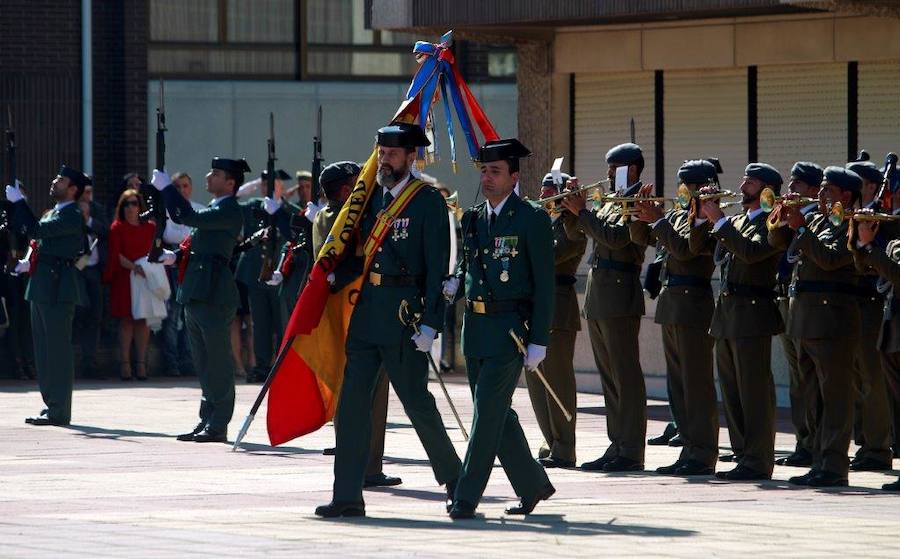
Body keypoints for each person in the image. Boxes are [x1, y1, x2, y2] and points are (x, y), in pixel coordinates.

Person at [315, 123, 461, 518]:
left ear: (411, 156)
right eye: (381, 152)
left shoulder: (427, 200)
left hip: (403, 316)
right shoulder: (370, 197)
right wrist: (331, 276)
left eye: (392, 154)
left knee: (417, 404)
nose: (384, 159)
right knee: (352, 407)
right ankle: (347, 494)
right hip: (366, 313)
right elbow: (360, 255)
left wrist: (432, 322)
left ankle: (456, 483)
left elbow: (437, 268)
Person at [444, 137, 555, 519]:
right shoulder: (473, 218)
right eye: (484, 172)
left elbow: (544, 285)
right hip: (475, 328)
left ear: (513, 176)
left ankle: (465, 494)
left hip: (510, 331)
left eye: (495, 172)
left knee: (486, 416)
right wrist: (455, 282)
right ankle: (532, 483)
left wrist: (539, 339)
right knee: (496, 413)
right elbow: (468, 265)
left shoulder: (531, 218)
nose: (487, 179)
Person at [769, 166, 862, 487]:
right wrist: (784, 219)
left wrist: (802, 229)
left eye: (828, 191)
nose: (821, 196)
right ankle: (819, 459)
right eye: (820, 190)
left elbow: (832, 259)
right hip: (806, 319)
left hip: (832, 320)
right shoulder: (819, 221)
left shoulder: (851, 223)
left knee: (834, 395)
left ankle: (835, 466)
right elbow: (782, 245)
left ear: (846, 196)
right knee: (813, 395)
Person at [560, 142, 649, 472]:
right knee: (610, 377)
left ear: (633, 170)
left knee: (625, 376)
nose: (609, 175)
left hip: (620, 293)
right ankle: (617, 443)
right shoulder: (611, 202)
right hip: (601, 295)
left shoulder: (639, 202)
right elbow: (579, 233)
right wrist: (571, 211)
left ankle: (631, 449)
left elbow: (614, 238)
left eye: (616, 169)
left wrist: (583, 212)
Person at [631, 159, 720, 476]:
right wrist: (640, 215)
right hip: (672, 305)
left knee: (696, 385)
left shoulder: (708, 220)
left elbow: (685, 251)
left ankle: (703, 451)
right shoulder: (679, 217)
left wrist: (659, 221)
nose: (683, 190)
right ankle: (688, 447)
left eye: (689, 184)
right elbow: (645, 239)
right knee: (679, 385)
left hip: (693, 305)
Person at [151, 157, 247, 443]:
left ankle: (218, 423)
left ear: (230, 183)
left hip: (214, 293)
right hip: (196, 290)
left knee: (217, 361)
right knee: (202, 361)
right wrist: (174, 256)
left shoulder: (229, 209)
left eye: (215, 173)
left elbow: (186, 217)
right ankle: (207, 418)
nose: (209, 176)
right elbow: (197, 245)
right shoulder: (215, 209)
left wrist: (168, 189)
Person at [701, 163, 784, 481]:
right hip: (728, 313)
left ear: (767, 190)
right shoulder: (733, 220)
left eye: (752, 181)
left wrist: (719, 220)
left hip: (753, 314)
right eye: (745, 178)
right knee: (732, 390)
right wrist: (709, 214)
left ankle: (759, 459)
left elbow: (751, 252)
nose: (743, 184)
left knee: (754, 392)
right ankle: (742, 454)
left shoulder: (771, 222)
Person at [7, 165, 89, 426]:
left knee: (57, 351)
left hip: (57, 286)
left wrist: (20, 203)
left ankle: (60, 410)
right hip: (42, 284)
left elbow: (38, 231)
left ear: (73, 189)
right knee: (43, 350)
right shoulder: (54, 212)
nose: (55, 182)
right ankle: (51, 404)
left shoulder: (73, 214)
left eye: (61, 180)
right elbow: (37, 240)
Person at [527, 171, 586, 469]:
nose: (543, 197)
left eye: (550, 192)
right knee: (536, 380)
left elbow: (546, 257)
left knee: (558, 379)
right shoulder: (542, 223)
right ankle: (551, 440)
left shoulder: (571, 227)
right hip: (535, 307)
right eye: (542, 191)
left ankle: (565, 447)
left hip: (559, 307)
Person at [845, 160, 894, 472]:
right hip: (851, 305)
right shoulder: (850, 215)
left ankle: (877, 447)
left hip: (872, 303)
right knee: (857, 378)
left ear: (874, 187)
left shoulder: (883, 220)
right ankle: (864, 441)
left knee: (873, 380)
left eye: (857, 182)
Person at [775, 162, 823, 467]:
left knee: (812, 379)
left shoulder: (816, 220)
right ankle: (803, 442)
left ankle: (817, 444)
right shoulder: (786, 219)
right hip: (785, 300)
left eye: (798, 185)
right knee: (796, 379)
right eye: (791, 184)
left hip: (808, 306)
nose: (791, 191)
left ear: (814, 191)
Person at [852, 220, 900, 490]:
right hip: (892, 330)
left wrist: (870, 245)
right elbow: (865, 267)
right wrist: (863, 243)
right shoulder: (894, 243)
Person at [236, 169, 291, 383]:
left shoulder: (288, 209)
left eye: (272, 184)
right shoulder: (253, 206)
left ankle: (281, 364)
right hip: (255, 274)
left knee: (281, 322)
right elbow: (233, 200)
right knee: (259, 324)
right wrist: (249, 187)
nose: (267, 188)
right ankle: (261, 365)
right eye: (264, 184)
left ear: (281, 187)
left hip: (278, 274)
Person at [103, 189, 156, 381]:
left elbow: (155, 250)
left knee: (143, 320)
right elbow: (115, 255)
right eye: (126, 204)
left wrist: (147, 269)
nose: (130, 207)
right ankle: (125, 364)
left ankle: (141, 364)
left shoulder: (150, 227)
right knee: (126, 321)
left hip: (145, 279)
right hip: (125, 278)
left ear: (140, 206)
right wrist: (134, 267)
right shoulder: (117, 227)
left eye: (134, 203)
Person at [159, 172, 202, 377]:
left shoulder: (199, 210)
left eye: (185, 186)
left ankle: (188, 360)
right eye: (177, 187)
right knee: (172, 315)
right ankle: (171, 362)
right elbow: (169, 235)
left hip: (193, 265)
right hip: (172, 263)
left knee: (190, 316)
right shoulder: (166, 211)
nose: (182, 190)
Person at [74, 183, 109, 379]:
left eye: (89, 192)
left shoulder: (97, 210)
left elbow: (106, 231)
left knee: (95, 315)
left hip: (94, 269)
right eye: (84, 192)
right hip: (76, 270)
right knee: (78, 311)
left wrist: (88, 220)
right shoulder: (69, 209)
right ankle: (73, 358)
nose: (87, 196)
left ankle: (90, 360)